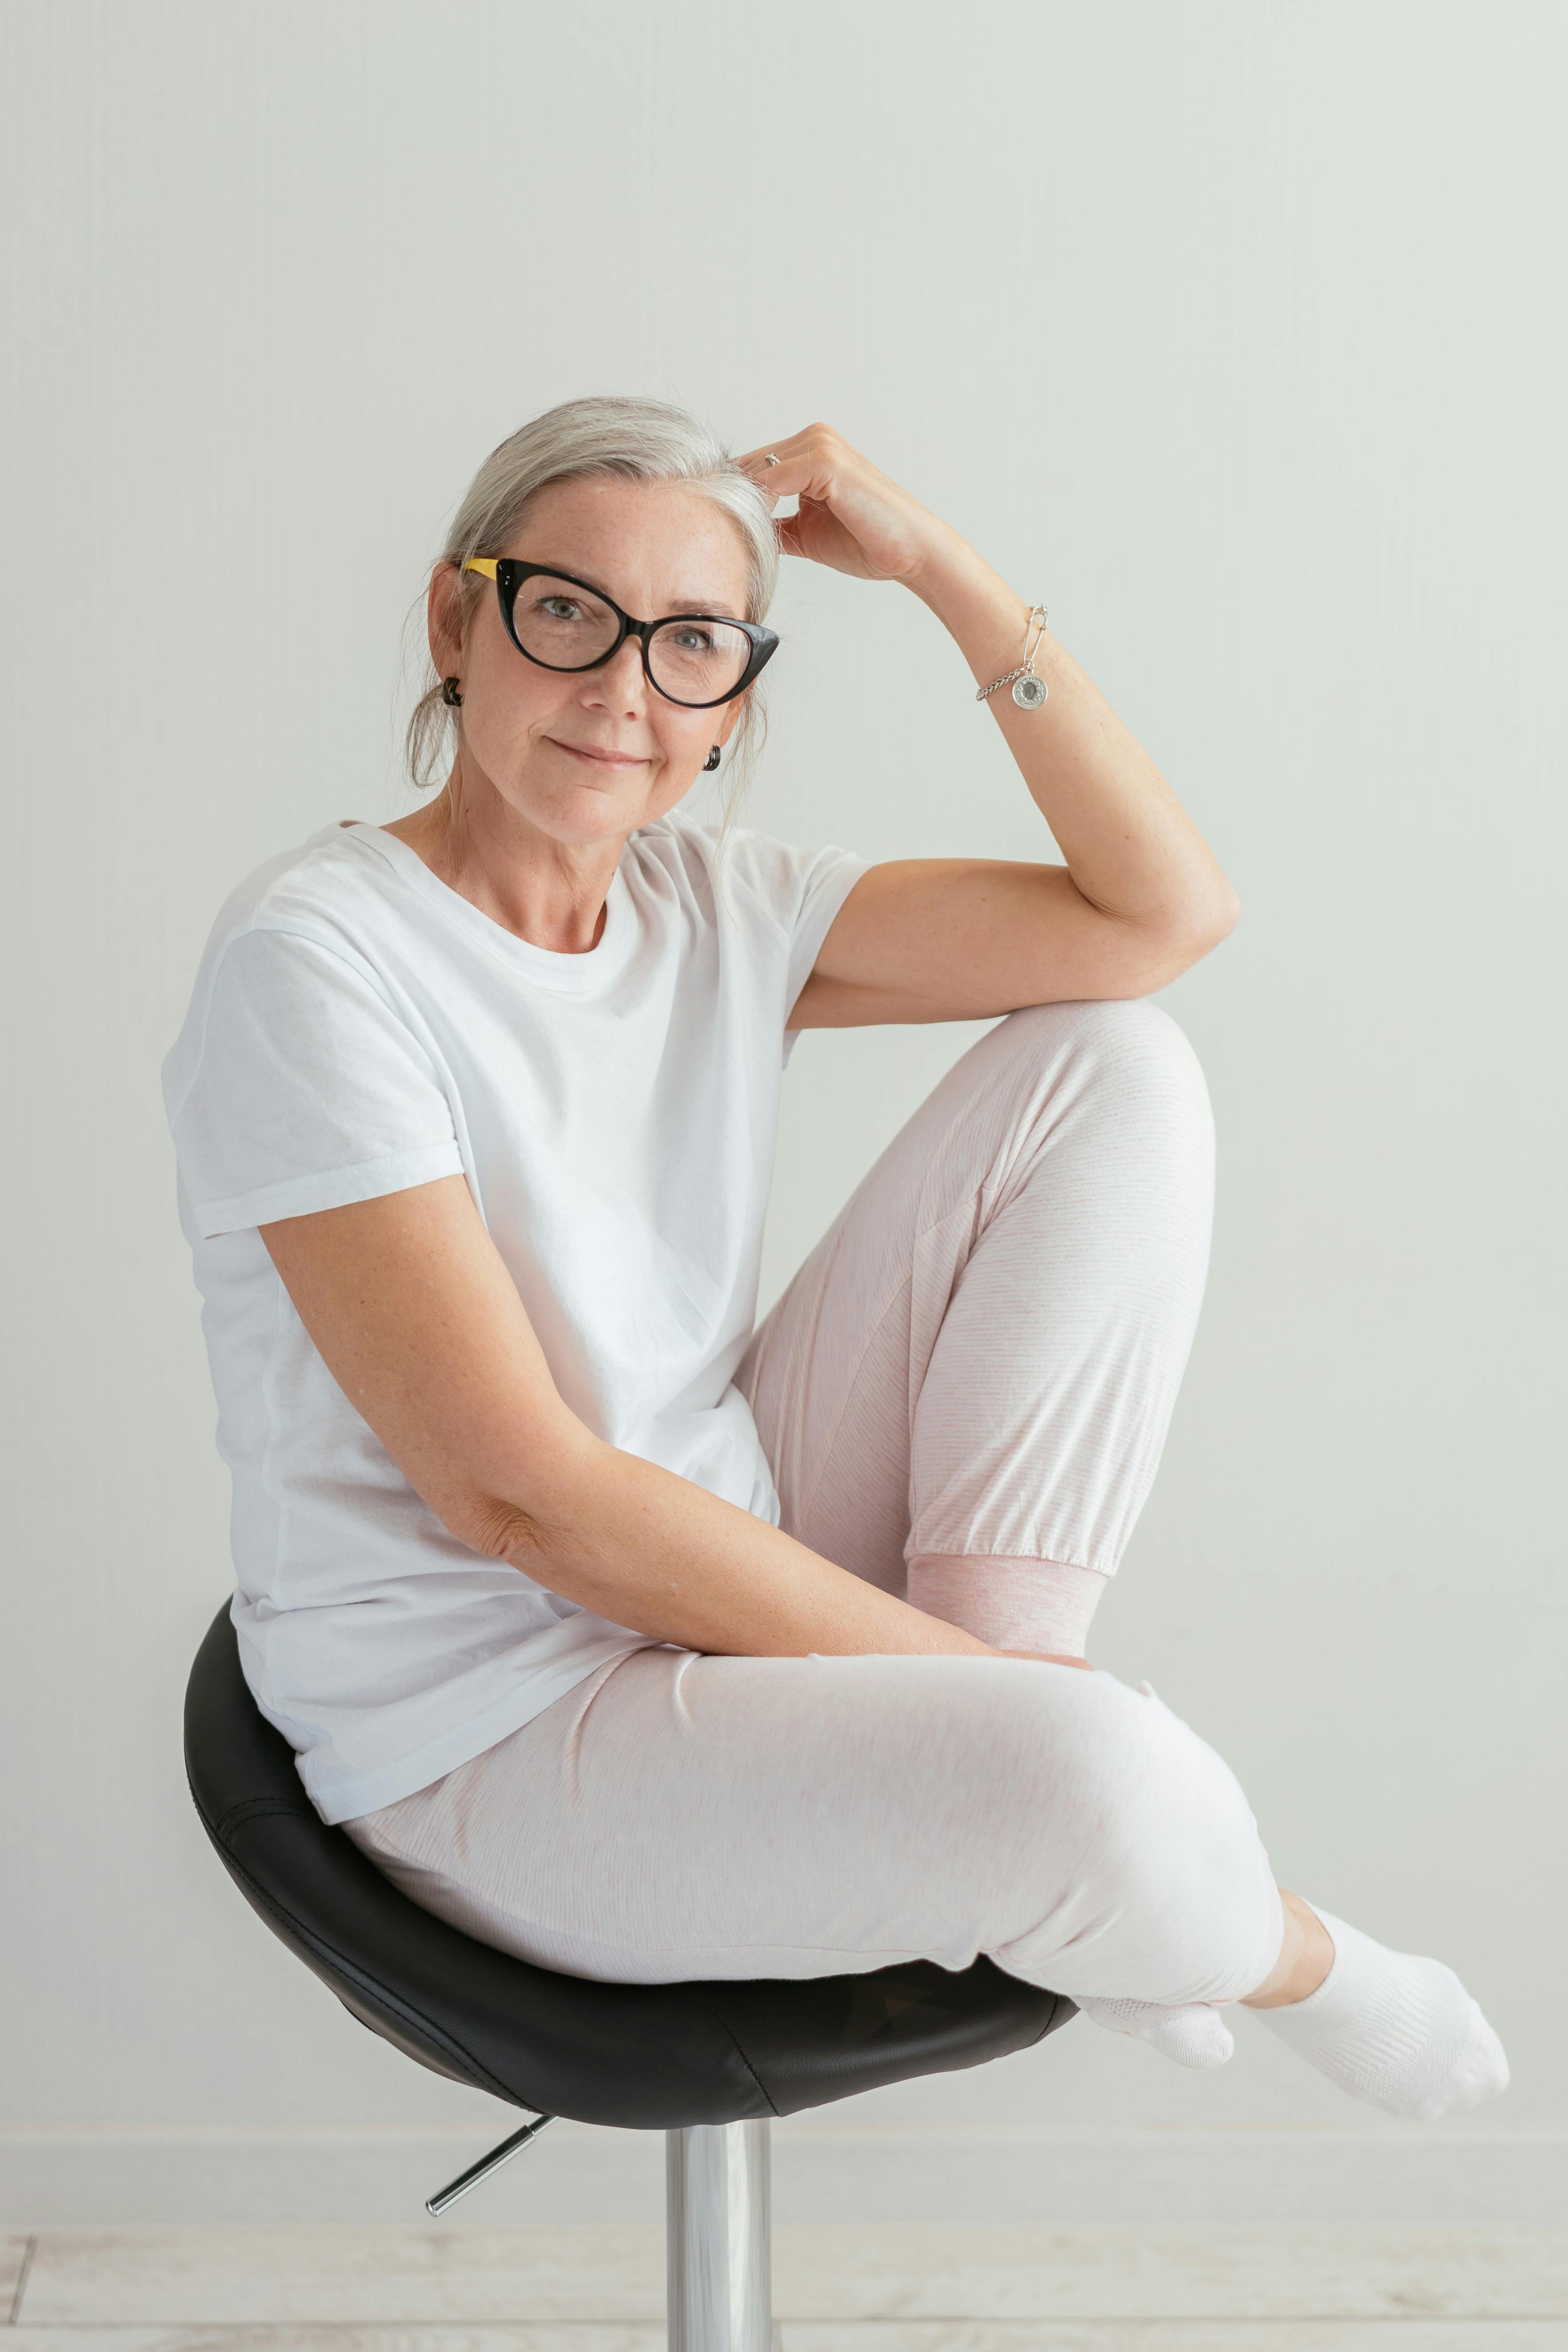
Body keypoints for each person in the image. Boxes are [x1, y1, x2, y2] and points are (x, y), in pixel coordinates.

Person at [162, 395, 1507, 2119]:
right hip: (483, 1733)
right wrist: (1004, 1720)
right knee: (1104, 1770)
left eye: (694, 644)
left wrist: (942, 567)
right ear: (457, 620)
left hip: (723, 1562)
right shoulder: (318, 961)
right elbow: (525, 1502)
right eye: (568, 611)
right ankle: (1264, 1933)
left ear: (736, 699)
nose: (622, 690)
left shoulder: (715, 909)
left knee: (1115, 1064)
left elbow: (1160, 916)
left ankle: (1053, 1784)